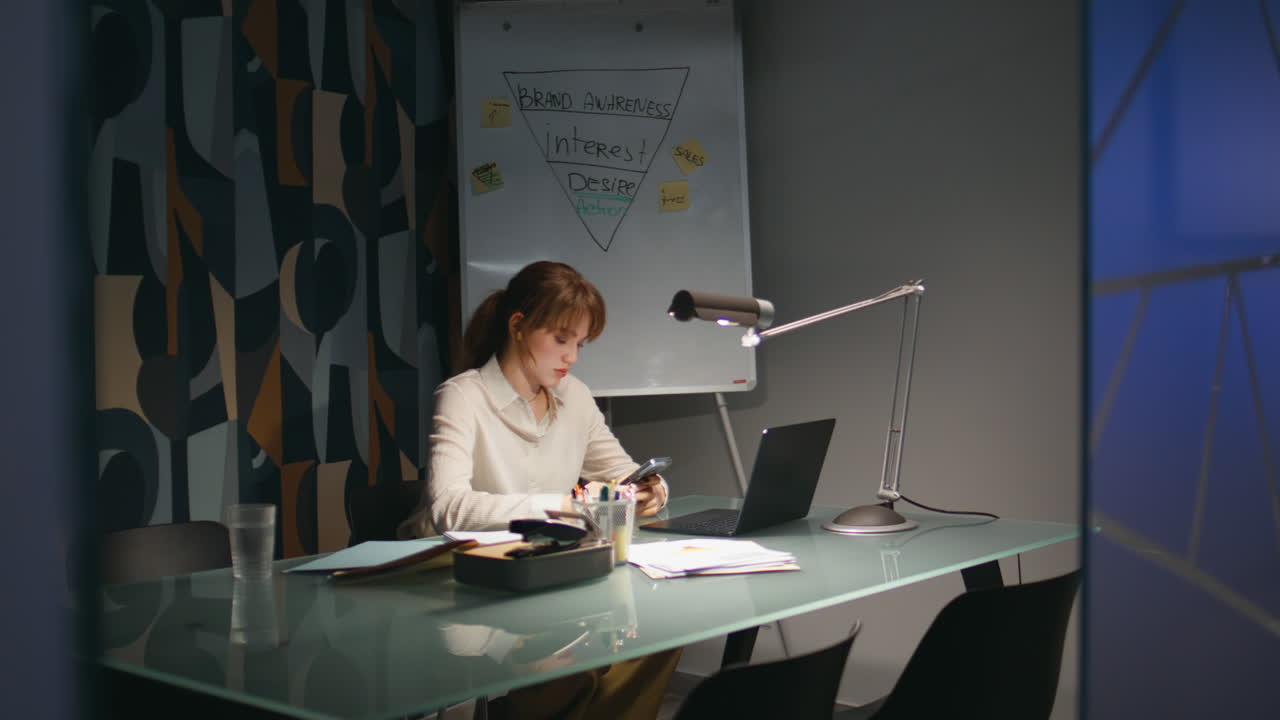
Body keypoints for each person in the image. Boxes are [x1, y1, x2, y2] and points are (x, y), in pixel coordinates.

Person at [400, 260, 679, 720]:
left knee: (659, 638)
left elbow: (625, 471)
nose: (572, 356)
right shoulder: (463, 395)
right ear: (518, 327)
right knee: (570, 668)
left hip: (547, 570)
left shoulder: (576, 398)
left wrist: (652, 490)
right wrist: (565, 505)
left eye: (581, 344)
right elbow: (450, 507)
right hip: (463, 582)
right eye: (561, 339)